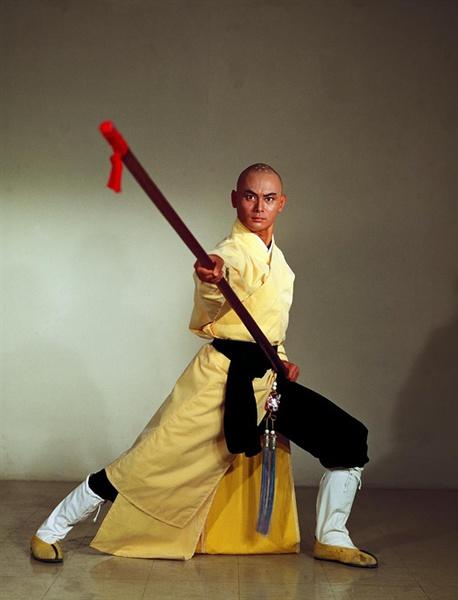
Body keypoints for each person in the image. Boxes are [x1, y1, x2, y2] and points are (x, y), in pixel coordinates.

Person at [30, 164, 378, 568]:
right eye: (250, 196)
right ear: (235, 199)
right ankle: (51, 529)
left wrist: (281, 361)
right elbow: (220, 280)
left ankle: (332, 537)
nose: (259, 207)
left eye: (268, 199)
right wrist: (212, 277)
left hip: (267, 381)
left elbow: (269, 327)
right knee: (147, 461)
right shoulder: (232, 252)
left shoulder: (280, 263)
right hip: (221, 380)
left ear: (281, 204)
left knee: (347, 438)